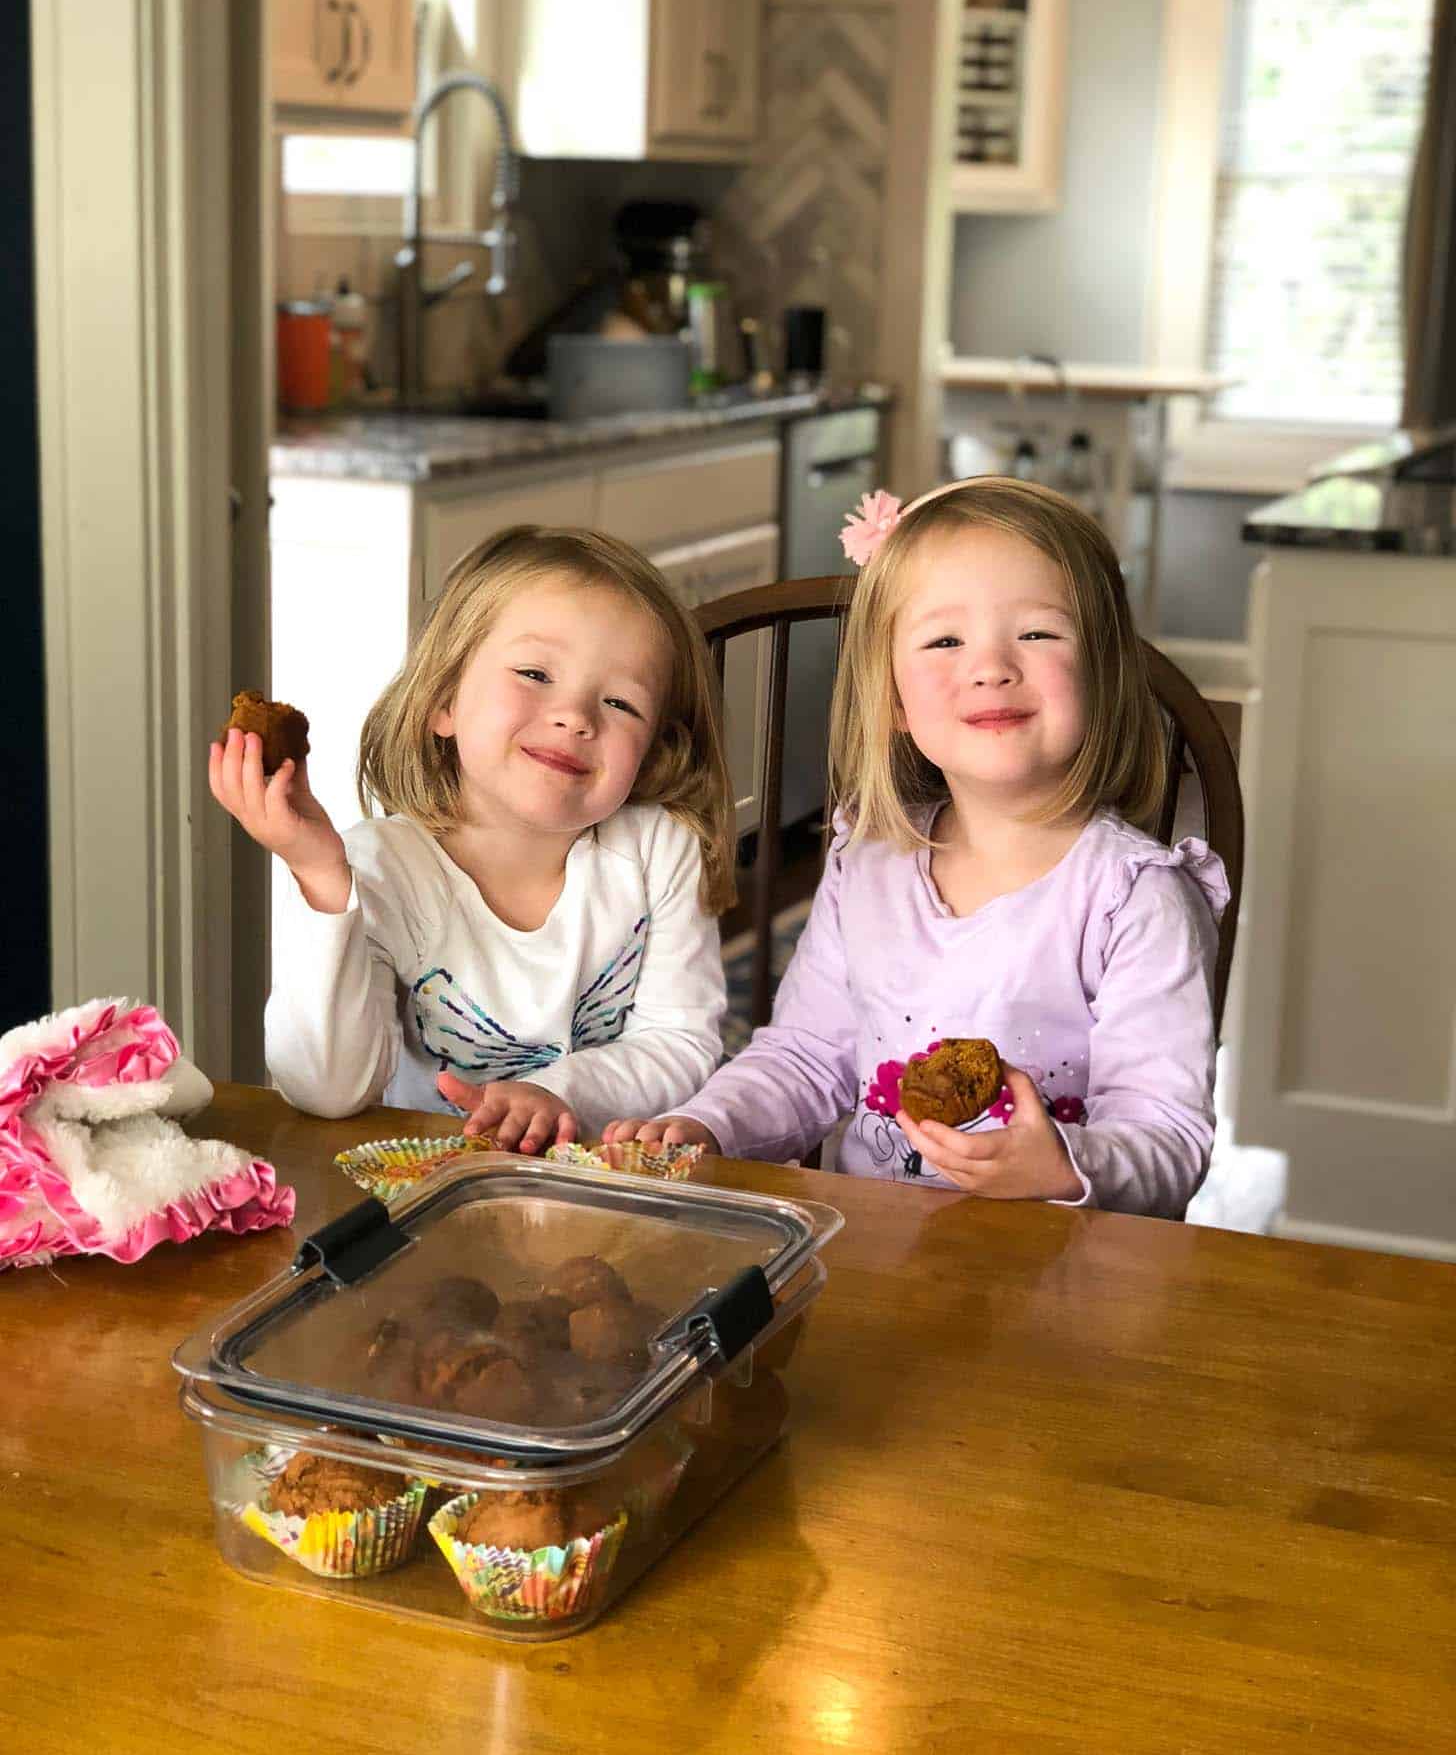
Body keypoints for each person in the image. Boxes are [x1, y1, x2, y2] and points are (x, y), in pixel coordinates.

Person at [605, 478, 1228, 1218]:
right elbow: (805, 1061)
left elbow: (1167, 1137)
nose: (990, 665)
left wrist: (1064, 1164)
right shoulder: (868, 865)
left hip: (1059, 1274)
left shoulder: (1137, 898)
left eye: (1036, 633)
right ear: (895, 700)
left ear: (1103, 675)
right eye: (943, 641)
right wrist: (710, 1123)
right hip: (874, 1251)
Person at [210, 525, 735, 1153]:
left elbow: (682, 1043)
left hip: (608, 1191)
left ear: (652, 753)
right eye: (536, 673)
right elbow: (327, 1090)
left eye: (621, 703)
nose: (576, 716)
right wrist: (321, 878)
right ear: (443, 701)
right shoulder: (382, 868)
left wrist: (556, 1090)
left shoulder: (659, 852)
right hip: (433, 1190)